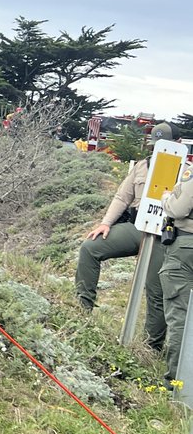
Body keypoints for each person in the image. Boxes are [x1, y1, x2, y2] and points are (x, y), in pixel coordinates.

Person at [74, 122, 177, 349]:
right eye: (155, 146)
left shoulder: (186, 172)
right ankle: (81, 310)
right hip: (137, 226)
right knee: (90, 248)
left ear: (177, 144)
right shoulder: (142, 166)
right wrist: (105, 223)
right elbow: (122, 198)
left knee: (156, 288)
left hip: (164, 235)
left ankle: (151, 347)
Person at [159, 160, 193, 385]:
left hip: (186, 248)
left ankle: (178, 384)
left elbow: (179, 208)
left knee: (180, 314)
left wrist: (165, 197)